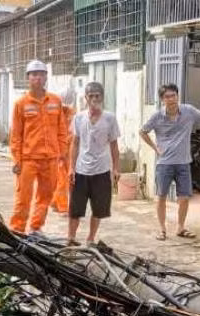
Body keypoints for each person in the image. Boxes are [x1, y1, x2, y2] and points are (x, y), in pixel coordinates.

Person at [140, 84, 200, 241]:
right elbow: (143, 131)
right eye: (167, 97)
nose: (171, 99)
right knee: (161, 196)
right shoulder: (157, 117)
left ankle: (180, 227)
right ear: (162, 100)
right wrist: (155, 148)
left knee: (184, 197)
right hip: (164, 164)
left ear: (177, 96)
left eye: (173, 96)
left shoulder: (188, 111)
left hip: (184, 163)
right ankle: (162, 229)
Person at [9, 59, 69, 234]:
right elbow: (16, 136)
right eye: (34, 74)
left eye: (41, 74)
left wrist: (62, 154)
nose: (38, 78)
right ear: (28, 78)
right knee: (23, 197)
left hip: (50, 159)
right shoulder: (21, 104)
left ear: (46, 77)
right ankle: (17, 230)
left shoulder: (56, 101)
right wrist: (16, 160)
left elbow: (62, 130)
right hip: (28, 159)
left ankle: (36, 228)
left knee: (46, 196)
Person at [66, 82, 120, 246]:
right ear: (86, 98)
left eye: (97, 96)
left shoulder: (110, 118)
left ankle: (90, 239)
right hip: (81, 171)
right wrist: (71, 168)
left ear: (102, 98)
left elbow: (114, 145)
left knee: (98, 209)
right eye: (91, 96)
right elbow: (75, 143)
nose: (94, 99)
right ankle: (71, 238)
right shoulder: (79, 118)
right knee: (75, 209)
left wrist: (116, 168)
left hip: (102, 171)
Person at [51, 86, 77, 215]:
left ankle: (56, 203)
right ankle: (61, 205)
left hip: (69, 151)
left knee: (64, 178)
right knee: (62, 179)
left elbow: (73, 131)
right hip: (60, 151)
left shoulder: (71, 113)